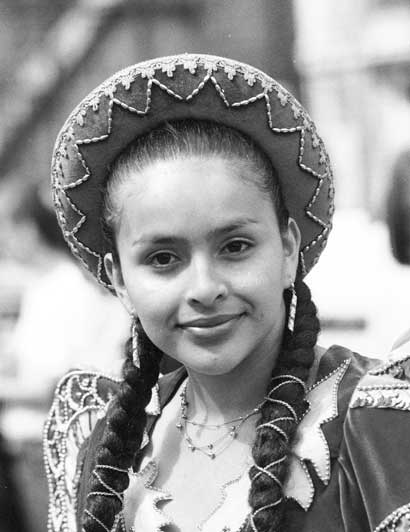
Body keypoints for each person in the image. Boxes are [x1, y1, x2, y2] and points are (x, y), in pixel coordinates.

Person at [44, 54, 410, 532]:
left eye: (235, 247)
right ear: (119, 280)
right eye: (162, 259)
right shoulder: (103, 446)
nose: (204, 289)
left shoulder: (378, 425)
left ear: (286, 247)